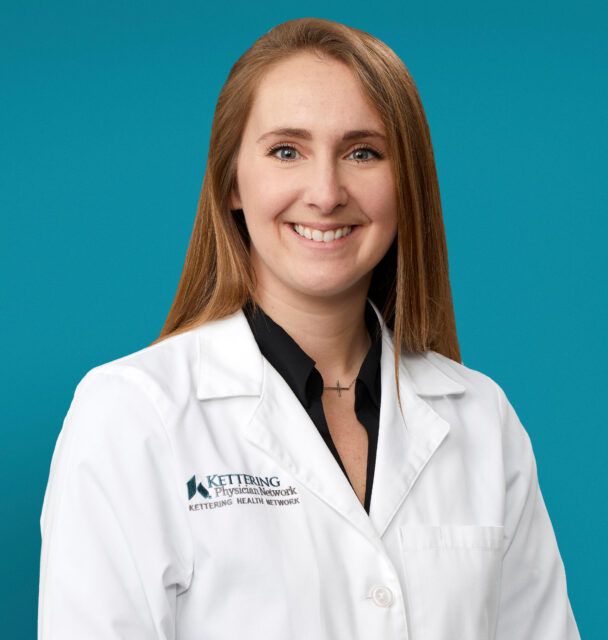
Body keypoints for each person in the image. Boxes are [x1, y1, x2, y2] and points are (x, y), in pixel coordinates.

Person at [37, 17, 580, 640]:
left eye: (363, 152)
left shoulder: (482, 418)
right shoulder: (133, 414)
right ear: (231, 182)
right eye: (286, 151)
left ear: (406, 182)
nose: (325, 193)